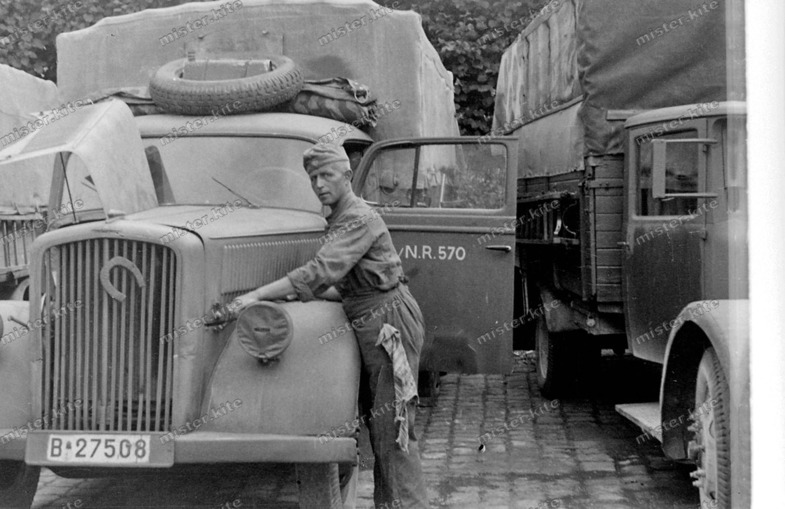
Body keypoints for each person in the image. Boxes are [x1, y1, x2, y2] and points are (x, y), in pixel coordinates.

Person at [232, 143, 429, 508]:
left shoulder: (356, 217)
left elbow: (320, 271)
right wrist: (293, 294)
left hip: (389, 323)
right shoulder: (341, 217)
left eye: (327, 175)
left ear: (347, 176)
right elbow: (349, 286)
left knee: (395, 430)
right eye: (313, 178)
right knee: (382, 428)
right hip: (374, 315)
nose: (319, 184)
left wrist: (256, 295)